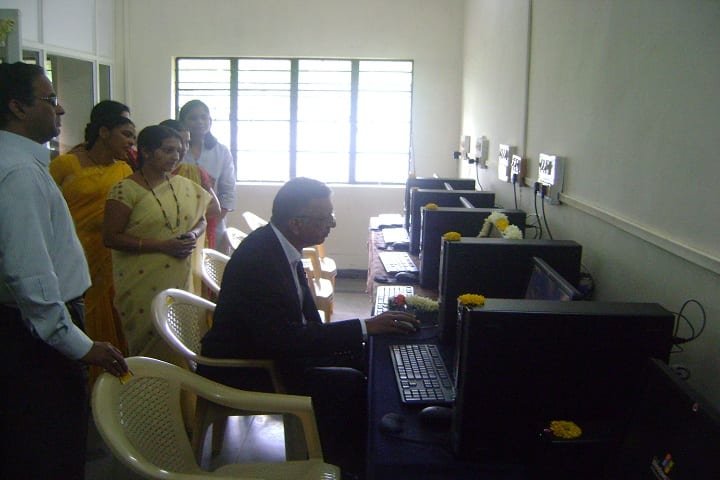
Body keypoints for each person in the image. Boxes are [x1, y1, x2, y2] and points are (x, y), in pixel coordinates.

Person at [199, 176, 418, 476]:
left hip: (273, 350)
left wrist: (356, 337)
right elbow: (284, 339)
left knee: (368, 356)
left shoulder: (280, 245)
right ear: (296, 223)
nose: (332, 224)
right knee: (349, 382)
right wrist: (364, 327)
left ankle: (367, 453)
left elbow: (302, 323)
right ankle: (342, 467)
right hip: (247, 367)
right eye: (324, 218)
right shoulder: (260, 262)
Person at [0, 62, 128, 479]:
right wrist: (76, 343)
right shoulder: (20, 173)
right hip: (34, 335)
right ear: (18, 107)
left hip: (25, 328)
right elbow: (28, 275)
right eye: (50, 99)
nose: (60, 110)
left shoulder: (18, 163)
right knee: (50, 448)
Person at [103, 125, 213, 357]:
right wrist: (163, 246)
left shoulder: (183, 185)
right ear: (146, 151)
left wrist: (193, 235)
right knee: (150, 346)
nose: (176, 156)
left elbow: (202, 219)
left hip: (179, 279)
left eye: (179, 151)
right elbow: (111, 237)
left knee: (181, 341)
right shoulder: (125, 190)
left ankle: (183, 382)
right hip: (141, 283)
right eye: (168, 150)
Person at [50, 114, 136, 385]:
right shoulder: (66, 164)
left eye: (134, 137)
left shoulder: (124, 170)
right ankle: (80, 381)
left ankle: (110, 385)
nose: (131, 142)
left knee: (112, 313)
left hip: (111, 256)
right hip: (70, 252)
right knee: (77, 314)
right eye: (126, 134)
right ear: (104, 132)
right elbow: (45, 207)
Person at [178, 100, 235, 250]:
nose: (199, 122)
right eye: (193, 118)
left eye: (204, 117)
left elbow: (227, 192)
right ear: (182, 122)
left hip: (214, 221)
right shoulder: (175, 150)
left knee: (212, 261)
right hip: (179, 221)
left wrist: (213, 220)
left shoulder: (222, 152)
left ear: (210, 120)